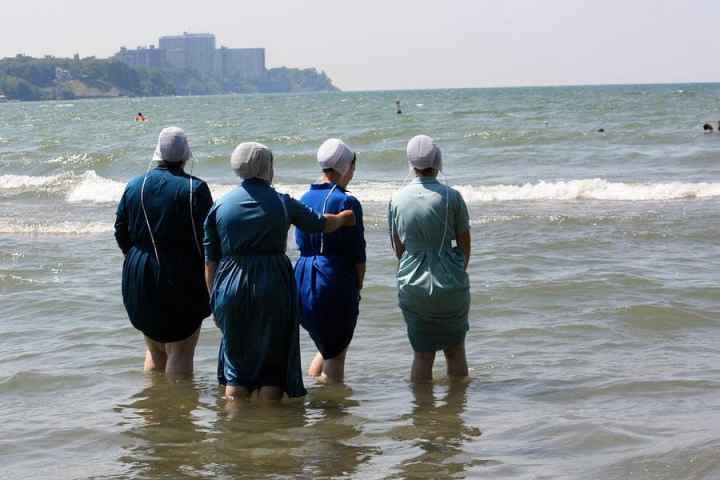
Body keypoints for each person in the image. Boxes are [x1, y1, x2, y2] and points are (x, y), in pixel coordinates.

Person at [204, 142, 356, 402]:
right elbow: (320, 224)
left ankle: (235, 432)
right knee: (272, 369)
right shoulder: (282, 202)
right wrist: (343, 218)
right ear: (267, 167)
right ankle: (272, 435)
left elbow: (210, 262)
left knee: (236, 369)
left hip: (229, 285)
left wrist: (214, 300)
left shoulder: (220, 206)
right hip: (272, 282)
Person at [115, 127, 213, 376]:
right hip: (180, 272)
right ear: (186, 155)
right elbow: (209, 239)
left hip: (139, 272)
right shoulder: (195, 188)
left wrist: (138, 258)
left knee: (154, 349)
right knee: (181, 350)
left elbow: (120, 231)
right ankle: (177, 411)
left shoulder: (135, 185)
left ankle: (155, 408)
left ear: (157, 153)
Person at [388, 135, 471, 383]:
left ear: (411, 163)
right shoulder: (452, 196)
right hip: (450, 280)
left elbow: (398, 249)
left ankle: (422, 414)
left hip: (412, 280)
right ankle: (455, 413)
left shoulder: (396, 198)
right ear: (437, 160)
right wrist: (455, 270)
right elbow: (465, 246)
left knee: (422, 355)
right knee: (455, 351)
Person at [294, 139, 366, 384]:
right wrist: (358, 285)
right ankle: (331, 412)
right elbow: (358, 253)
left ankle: (315, 387)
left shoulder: (304, 197)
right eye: (353, 167)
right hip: (332, 277)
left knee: (327, 346)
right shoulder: (347, 202)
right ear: (346, 167)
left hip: (302, 278)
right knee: (336, 355)